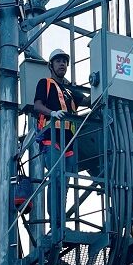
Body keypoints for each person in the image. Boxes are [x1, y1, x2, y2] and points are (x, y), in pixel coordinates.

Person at [33, 48, 88, 229]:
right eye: (58, 61)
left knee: (64, 182)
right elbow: (37, 105)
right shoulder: (45, 83)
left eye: (64, 61)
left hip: (69, 141)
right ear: (51, 65)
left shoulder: (71, 90)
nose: (62, 64)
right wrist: (52, 113)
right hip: (52, 138)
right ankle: (55, 224)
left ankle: (60, 222)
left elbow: (89, 101)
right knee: (56, 177)